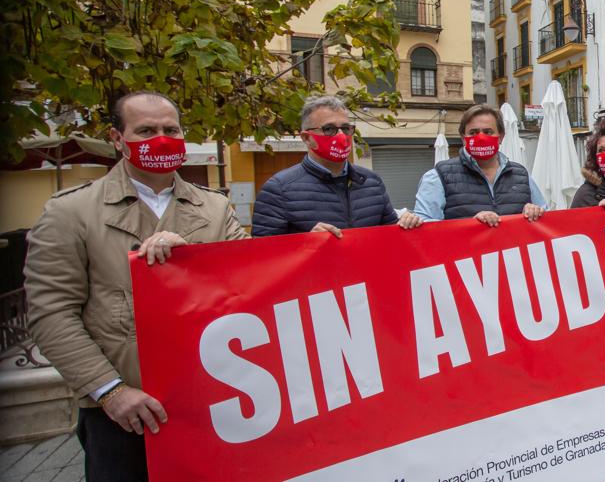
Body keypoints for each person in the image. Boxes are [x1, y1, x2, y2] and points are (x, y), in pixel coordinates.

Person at [24, 91, 248, 481]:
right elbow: (51, 314)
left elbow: (251, 276)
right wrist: (109, 391)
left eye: (170, 129)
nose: (160, 138)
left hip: (211, 399)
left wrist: (315, 246)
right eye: (145, 130)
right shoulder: (70, 212)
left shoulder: (215, 207)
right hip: (126, 413)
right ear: (117, 138)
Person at [251, 95, 420, 236]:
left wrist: (406, 224)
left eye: (346, 128)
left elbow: (390, 235)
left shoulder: (371, 181)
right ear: (306, 138)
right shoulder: (278, 190)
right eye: (329, 129)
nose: (341, 136)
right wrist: (306, 245)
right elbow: (261, 259)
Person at [413, 104, 545, 226]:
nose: (481, 138)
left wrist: (537, 212)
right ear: (463, 138)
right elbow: (424, 227)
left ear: (501, 137)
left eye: (488, 132)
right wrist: (471, 225)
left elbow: (548, 218)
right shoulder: (439, 176)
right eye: (473, 133)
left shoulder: (521, 174)